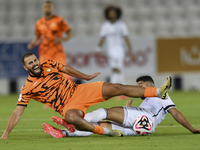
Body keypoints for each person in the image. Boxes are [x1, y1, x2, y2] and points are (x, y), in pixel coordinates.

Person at [0, 53, 171, 139]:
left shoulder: (49, 64)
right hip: (67, 105)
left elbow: (66, 69)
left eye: (35, 60)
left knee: (116, 87)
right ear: (25, 68)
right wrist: (6, 133)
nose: (35, 64)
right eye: (30, 63)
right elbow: (17, 113)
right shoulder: (27, 89)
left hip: (79, 91)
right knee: (73, 117)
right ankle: (106, 132)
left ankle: (156, 91)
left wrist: (86, 77)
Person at [42, 76, 200, 138]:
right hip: (144, 128)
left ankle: (71, 122)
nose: (138, 87)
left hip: (143, 118)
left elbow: (176, 113)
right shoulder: (147, 101)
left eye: (141, 85)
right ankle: (64, 133)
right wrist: (128, 108)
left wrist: (191, 129)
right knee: (98, 126)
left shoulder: (163, 96)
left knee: (105, 112)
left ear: (150, 85)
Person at [95, 6, 134, 91]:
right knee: (114, 70)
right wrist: (98, 48)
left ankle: (118, 89)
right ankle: (119, 90)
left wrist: (130, 51)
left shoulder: (121, 25)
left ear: (117, 14)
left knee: (117, 69)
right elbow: (102, 38)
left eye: (113, 12)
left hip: (119, 50)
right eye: (110, 12)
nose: (112, 14)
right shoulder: (105, 25)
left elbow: (126, 38)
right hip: (110, 51)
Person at [27, 1, 72, 66]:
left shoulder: (59, 20)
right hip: (44, 52)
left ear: (52, 8)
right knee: (45, 73)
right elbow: (38, 37)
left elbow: (69, 33)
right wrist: (33, 43)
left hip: (57, 51)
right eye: (45, 7)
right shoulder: (39, 22)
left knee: (61, 72)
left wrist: (62, 39)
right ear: (42, 9)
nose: (47, 8)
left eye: (49, 7)